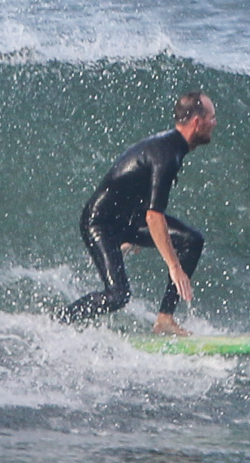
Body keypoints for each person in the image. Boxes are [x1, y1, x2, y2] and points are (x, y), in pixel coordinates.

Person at [58, 92, 217, 335]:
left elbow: (138, 188)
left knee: (192, 240)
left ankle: (164, 320)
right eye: (212, 118)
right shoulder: (167, 155)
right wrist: (174, 266)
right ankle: (60, 322)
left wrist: (134, 232)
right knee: (118, 295)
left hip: (128, 219)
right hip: (100, 223)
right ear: (197, 122)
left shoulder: (173, 148)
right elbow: (155, 216)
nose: (215, 123)